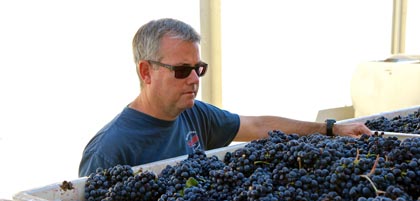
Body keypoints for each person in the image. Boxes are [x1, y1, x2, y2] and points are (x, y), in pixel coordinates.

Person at [78, 18, 372, 177]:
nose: (194, 80)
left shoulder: (195, 114)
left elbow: (257, 126)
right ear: (146, 72)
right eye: (182, 70)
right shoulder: (109, 150)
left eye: (198, 69)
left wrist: (332, 129)